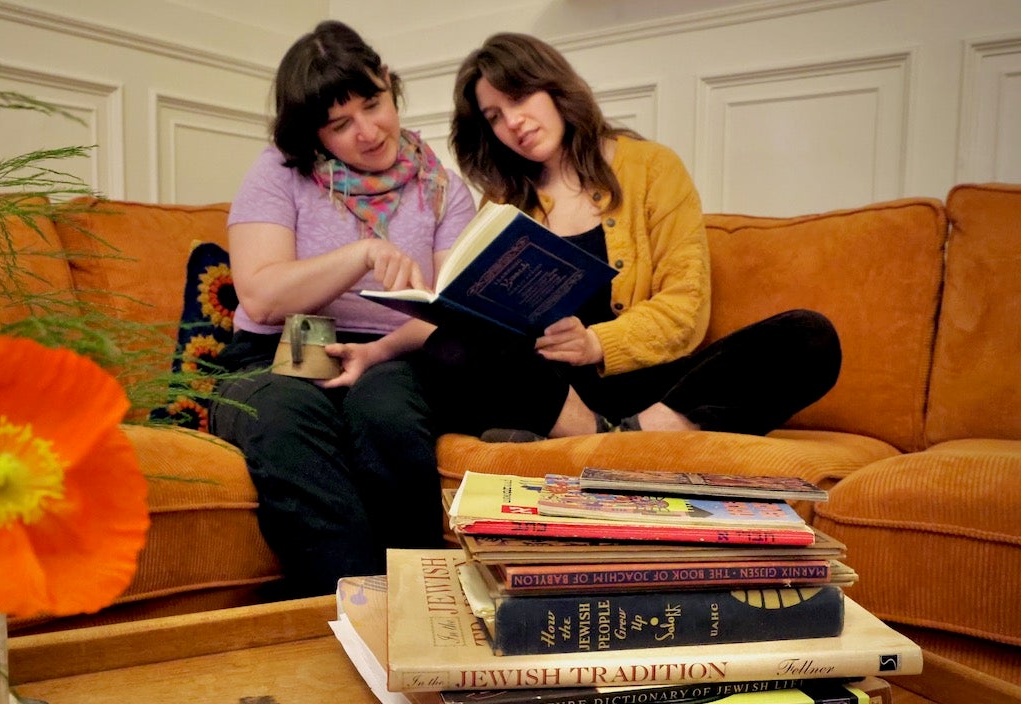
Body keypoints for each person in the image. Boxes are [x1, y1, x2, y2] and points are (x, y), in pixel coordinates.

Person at [421, 32, 841, 441]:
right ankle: (599, 435)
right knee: (449, 348)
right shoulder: (503, 199)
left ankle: (624, 435)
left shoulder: (652, 168)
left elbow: (686, 308)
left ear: (554, 88)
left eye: (518, 97)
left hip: (650, 387)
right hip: (553, 390)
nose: (512, 122)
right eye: (493, 116)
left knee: (809, 338)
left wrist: (595, 342)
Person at [207, 21, 476, 597]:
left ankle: (422, 609)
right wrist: (361, 253)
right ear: (313, 133)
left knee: (387, 418)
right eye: (340, 124)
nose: (368, 130)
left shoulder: (441, 187)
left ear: (387, 83)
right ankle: (350, 613)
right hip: (288, 342)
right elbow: (261, 294)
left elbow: (447, 308)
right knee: (282, 417)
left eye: (374, 104)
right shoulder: (279, 173)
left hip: (392, 352)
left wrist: (377, 350)